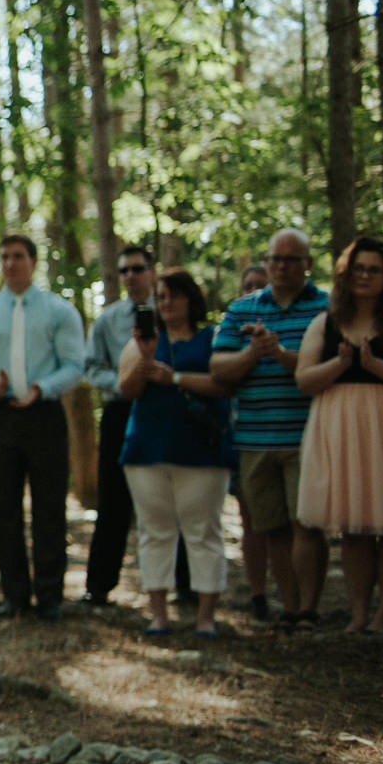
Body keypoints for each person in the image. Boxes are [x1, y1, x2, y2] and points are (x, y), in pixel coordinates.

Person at [211, 228, 330, 631]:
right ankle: (290, 607)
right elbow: (218, 368)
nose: (279, 266)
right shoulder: (242, 309)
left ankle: (309, 610)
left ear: (307, 264)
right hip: (254, 439)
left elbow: (333, 365)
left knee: (307, 525)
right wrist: (252, 353)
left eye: (289, 259)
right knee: (273, 527)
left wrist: (282, 355)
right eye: (273, 259)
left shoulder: (328, 308)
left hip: (308, 437)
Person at [0, 234, 85, 620]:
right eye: (4, 257)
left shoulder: (58, 311)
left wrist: (41, 388)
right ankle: (14, 594)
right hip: (1, 417)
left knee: (49, 508)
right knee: (5, 509)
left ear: (33, 261)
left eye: (18, 256)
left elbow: (74, 365)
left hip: (44, 415)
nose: (10, 263)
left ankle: (50, 596)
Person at [117, 270, 235, 636]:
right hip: (147, 449)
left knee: (203, 531)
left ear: (191, 299)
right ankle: (158, 615)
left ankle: (205, 618)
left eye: (173, 296)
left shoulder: (213, 337)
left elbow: (225, 384)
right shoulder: (142, 342)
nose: (166, 304)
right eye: (161, 297)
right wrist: (146, 357)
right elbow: (128, 390)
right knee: (155, 532)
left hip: (202, 449)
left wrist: (176, 378)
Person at [294, 236, 383, 634]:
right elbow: (303, 378)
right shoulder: (326, 321)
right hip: (341, 428)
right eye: (358, 269)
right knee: (354, 527)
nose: (365, 277)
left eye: (374, 270)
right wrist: (340, 363)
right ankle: (359, 613)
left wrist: (374, 365)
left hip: (382, 423)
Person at [81, 245, 157, 608]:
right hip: (119, 413)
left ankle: (180, 584)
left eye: (137, 269)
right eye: (124, 271)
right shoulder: (108, 319)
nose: (130, 276)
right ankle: (99, 586)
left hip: (163, 410)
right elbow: (91, 366)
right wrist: (124, 380)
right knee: (112, 502)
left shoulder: (170, 310)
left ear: (152, 272)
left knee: (165, 501)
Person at [230, 264, 274, 620]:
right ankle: (259, 594)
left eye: (261, 285)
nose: (254, 291)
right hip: (245, 437)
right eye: (249, 286)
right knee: (252, 521)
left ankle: (297, 600)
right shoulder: (230, 330)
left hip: (293, 434)